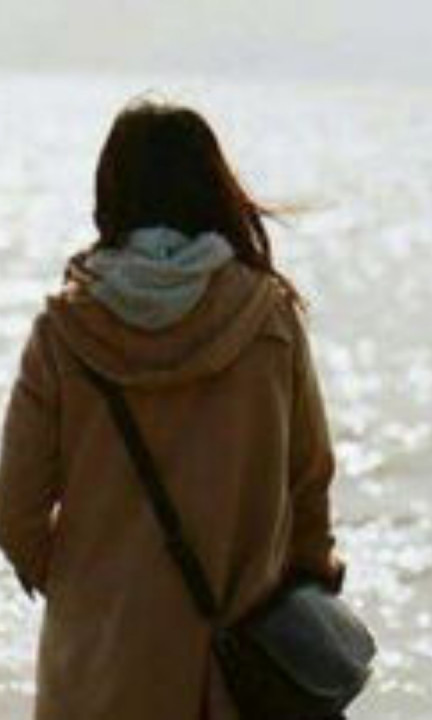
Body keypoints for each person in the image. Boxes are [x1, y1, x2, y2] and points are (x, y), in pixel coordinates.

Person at [0, 99, 346, 720]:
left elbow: (15, 504)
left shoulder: (65, 330)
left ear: (110, 192)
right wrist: (309, 579)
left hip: (99, 670)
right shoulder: (267, 320)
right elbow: (309, 479)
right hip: (235, 672)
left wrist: (85, 588)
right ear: (213, 187)